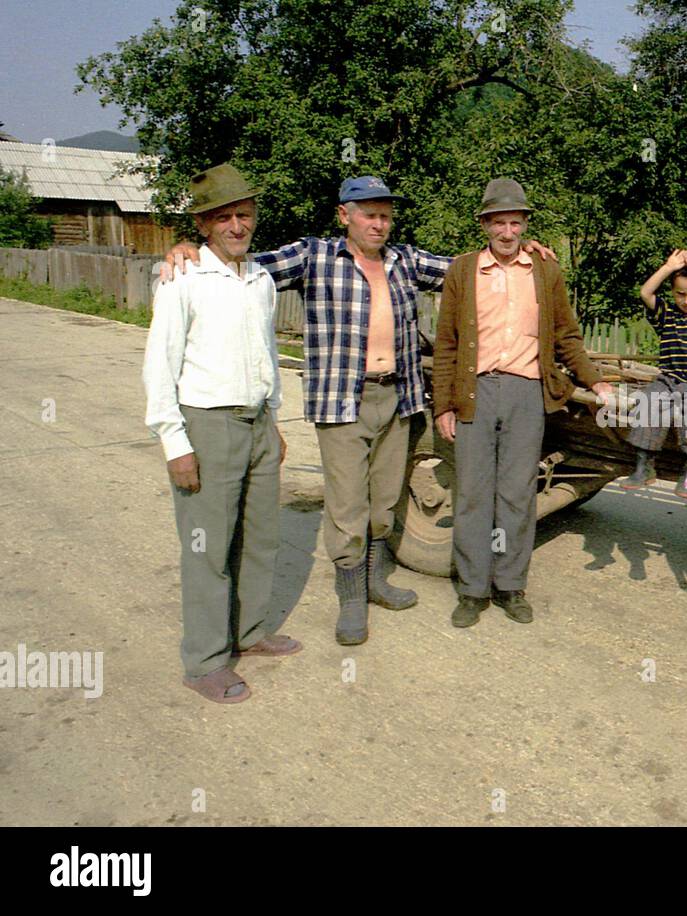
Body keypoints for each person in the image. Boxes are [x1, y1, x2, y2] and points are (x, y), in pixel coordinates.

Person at [162, 176, 557, 646]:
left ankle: (373, 583)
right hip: (341, 400)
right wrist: (186, 247)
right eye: (369, 214)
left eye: (385, 215)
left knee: (384, 503)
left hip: (398, 399)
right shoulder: (314, 256)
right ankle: (351, 600)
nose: (379, 223)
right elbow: (239, 262)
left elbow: (478, 268)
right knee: (348, 507)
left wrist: (519, 245)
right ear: (344, 215)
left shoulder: (405, 260)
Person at [143, 162, 299, 704]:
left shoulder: (259, 280)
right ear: (205, 225)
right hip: (206, 424)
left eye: (246, 214)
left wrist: (273, 418)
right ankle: (204, 660)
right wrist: (174, 442)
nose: (238, 225)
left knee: (260, 536)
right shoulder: (181, 279)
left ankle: (250, 632)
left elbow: (268, 356)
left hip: (256, 422)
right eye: (226, 217)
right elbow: (159, 366)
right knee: (207, 548)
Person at [432, 178, 614, 628]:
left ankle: (511, 585)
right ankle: (473, 589)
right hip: (475, 392)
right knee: (474, 493)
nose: (508, 232)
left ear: (524, 224)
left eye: (516, 222)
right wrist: (443, 406)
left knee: (516, 494)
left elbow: (567, 335)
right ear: (485, 225)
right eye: (499, 222)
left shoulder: (545, 270)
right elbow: (447, 344)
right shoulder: (463, 270)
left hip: (525, 393)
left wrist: (597, 381)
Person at [620, 248, 687, 498]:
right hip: (668, 380)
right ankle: (643, 467)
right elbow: (645, 292)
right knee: (648, 402)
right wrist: (668, 267)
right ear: (672, 292)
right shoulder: (666, 315)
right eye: (680, 294)